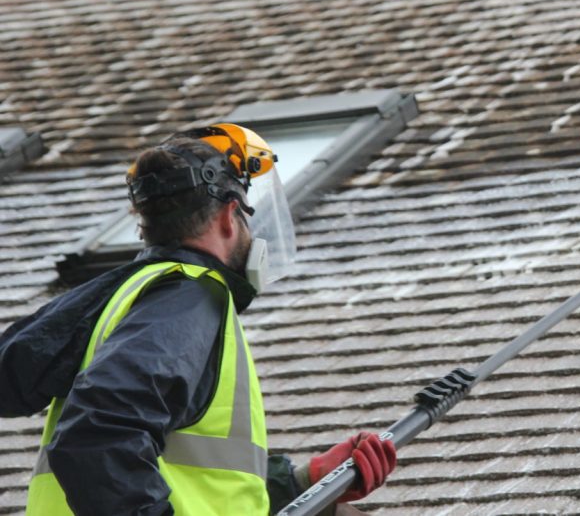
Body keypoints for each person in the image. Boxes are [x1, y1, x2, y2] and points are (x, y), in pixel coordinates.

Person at [0, 124, 396, 515]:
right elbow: (98, 433)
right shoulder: (189, 296)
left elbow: (197, 483)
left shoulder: (125, 298)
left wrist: (302, 480)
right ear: (228, 216)